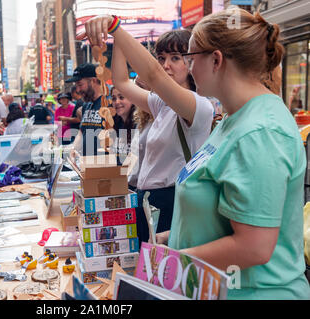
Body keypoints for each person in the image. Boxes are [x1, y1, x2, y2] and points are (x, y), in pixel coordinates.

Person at [83, 9, 310, 299]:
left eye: (190, 58)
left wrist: (168, 262)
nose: (188, 68)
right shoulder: (234, 119)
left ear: (216, 60)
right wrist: (174, 238)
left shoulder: (260, 131)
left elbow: (254, 247)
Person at [105, 28, 214, 240]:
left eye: (175, 58)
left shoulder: (198, 106)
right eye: (162, 58)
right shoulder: (161, 104)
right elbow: (121, 82)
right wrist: (117, 38)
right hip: (147, 201)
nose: (166, 66)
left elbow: (154, 74)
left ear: (191, 63)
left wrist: (115, 26)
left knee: (163, 270)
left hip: (172, 204)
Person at [65, 63, 105, 157]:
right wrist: (73, 148)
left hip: (105, 166)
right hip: (86, 165)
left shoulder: (109, 104)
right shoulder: (86, 105)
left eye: (80, 84)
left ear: (93, 81)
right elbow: (82, 131)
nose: (78, 90)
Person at [110, 86, 136, 165]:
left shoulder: (139, 125)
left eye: (121, 97)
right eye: (114, 99)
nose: (117, 102)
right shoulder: (116, 123)